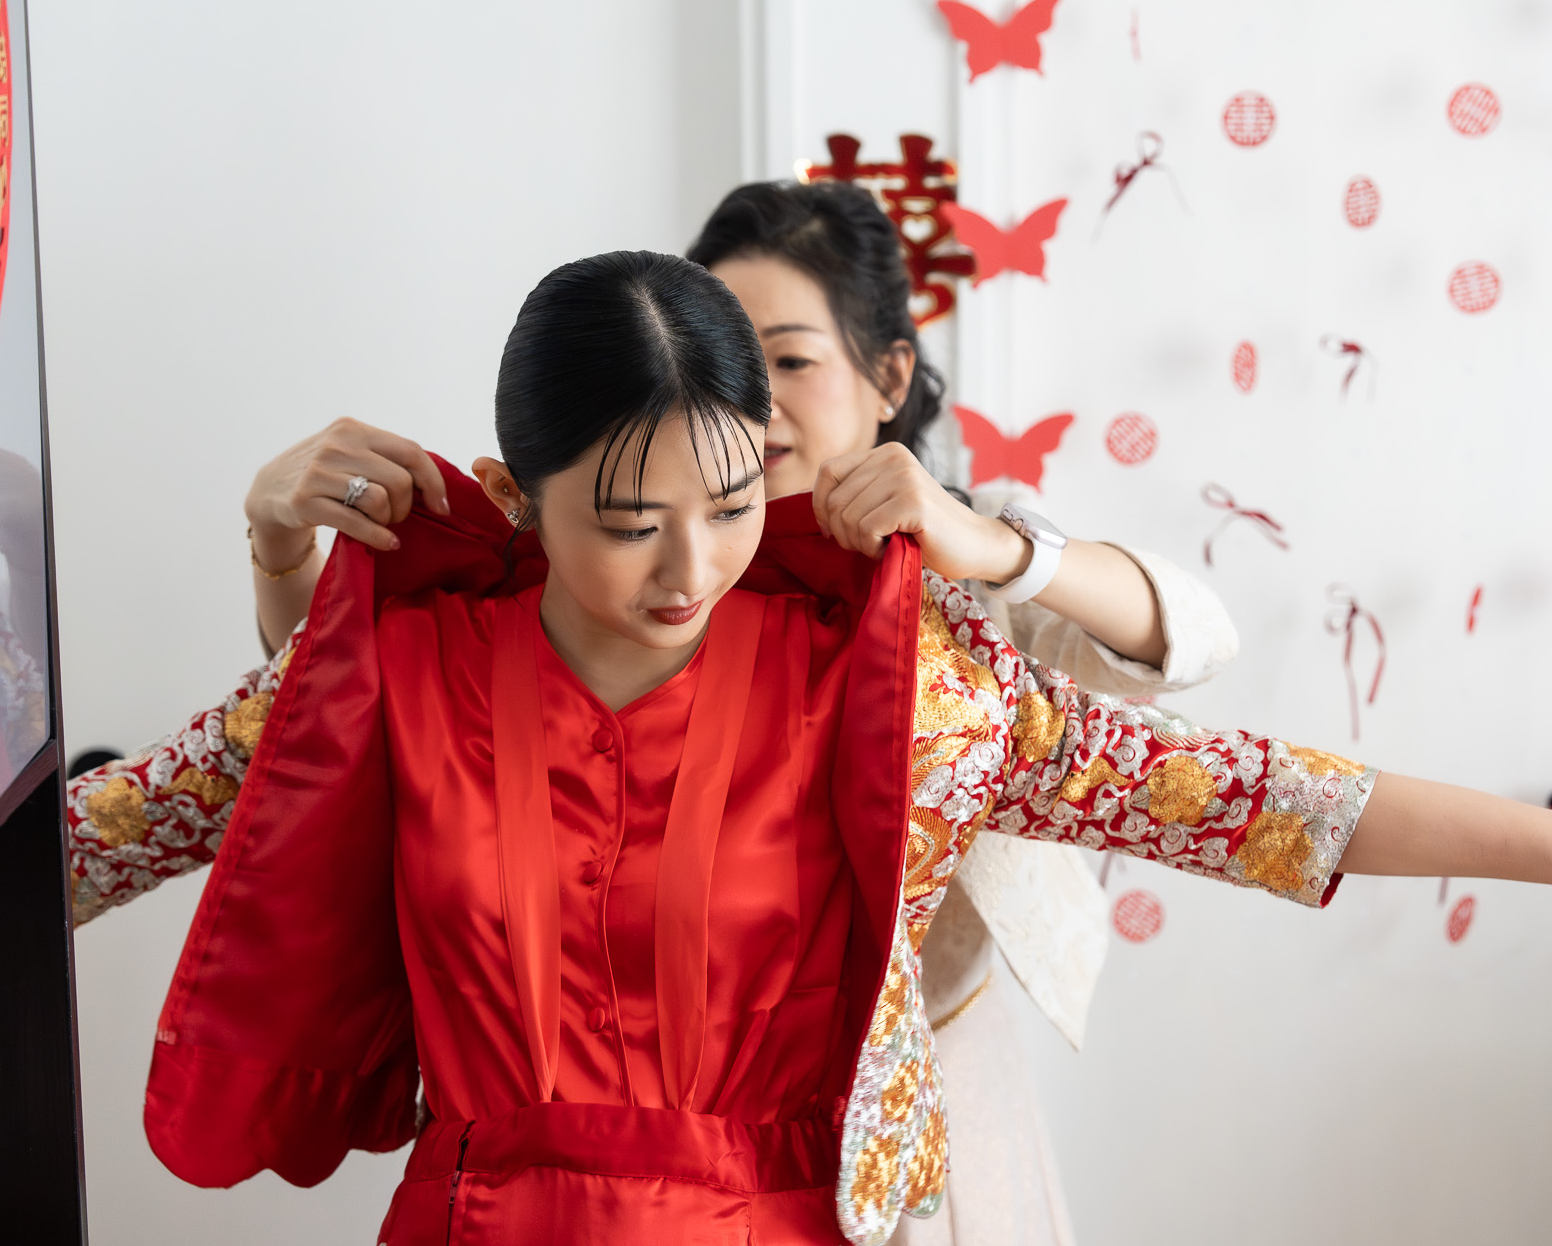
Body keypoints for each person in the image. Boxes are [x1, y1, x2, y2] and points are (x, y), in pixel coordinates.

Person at [68, 251, 1552, 1246]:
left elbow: (1248, 799)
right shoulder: (398, 665)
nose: (688, 568)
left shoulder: (886, 679)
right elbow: (101, 840)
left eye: (730, 502)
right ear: (522, 495)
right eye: (624, 521)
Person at [231, 181, 1240, 1244]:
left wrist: (998, 546)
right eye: (731, 353)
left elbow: (1194, 644)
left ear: (888, 375)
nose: (745, 395)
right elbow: (326, 712)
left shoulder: (952, 559)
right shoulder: (600, 567)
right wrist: (281, 545)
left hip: (927, 1103)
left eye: (788, 360)